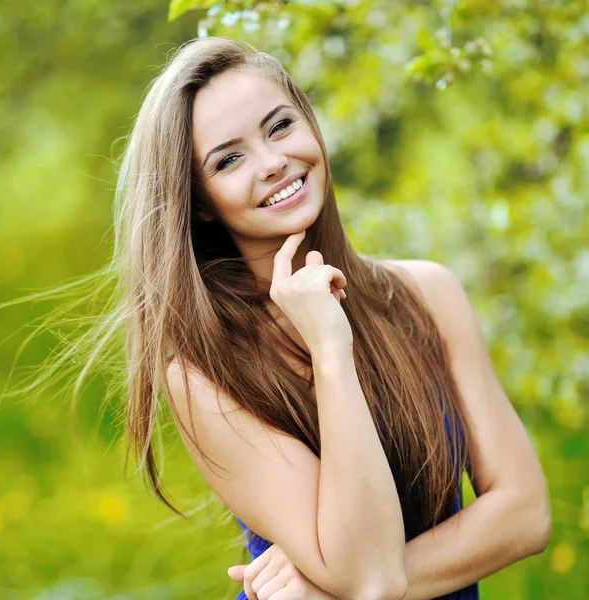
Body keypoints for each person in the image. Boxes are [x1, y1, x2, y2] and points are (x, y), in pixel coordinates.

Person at [35, 36, 550, 600]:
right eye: (229, 159)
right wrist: (330, 347)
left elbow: (525, 514)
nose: (273, 162)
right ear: (200, 201)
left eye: (280, 126)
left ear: (310, 124)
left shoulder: (428, 293)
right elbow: (368, 576)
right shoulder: (205, 373)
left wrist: (329, 586)